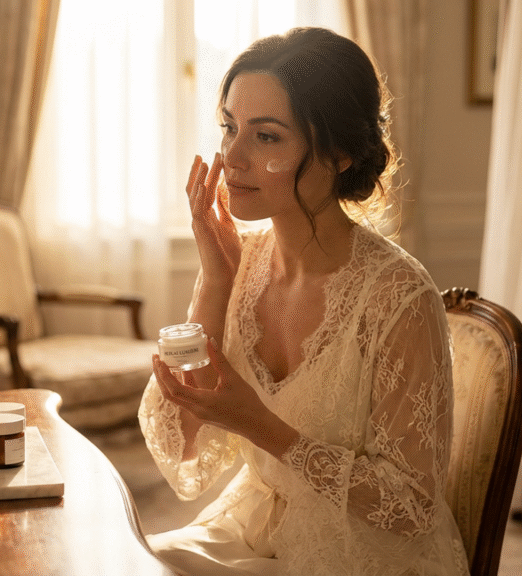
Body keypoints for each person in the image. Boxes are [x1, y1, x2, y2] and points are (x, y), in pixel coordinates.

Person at [138, 27, 469, 576]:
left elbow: (410, 506)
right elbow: (177, 441)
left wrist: (263, 428)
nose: (233, 157)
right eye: (229, 128)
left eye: (266, 137)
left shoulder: (398, 298)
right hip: (260, 528)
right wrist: (214, 287)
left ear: (338, 153)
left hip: (367, 555)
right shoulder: (237, 263)